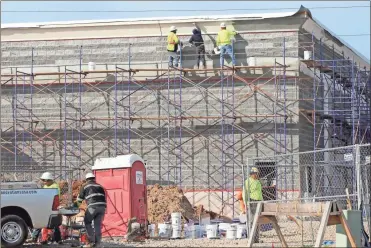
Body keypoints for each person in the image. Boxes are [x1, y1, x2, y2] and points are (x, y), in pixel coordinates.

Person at [74, 173, 106, 248]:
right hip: (102, 207)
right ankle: (98, 243)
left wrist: (74, 207)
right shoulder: (100, 186)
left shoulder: (85, 186)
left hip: (93, 206)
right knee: (97, 225)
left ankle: (91, 241)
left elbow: (79, 200)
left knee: (87, 222)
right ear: (94, 178)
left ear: (86, 179)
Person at [31, 172, 62, 245]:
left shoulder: (55, 186)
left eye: (46, 180)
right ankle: (35, 238)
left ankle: (58, 240)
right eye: (43, 180)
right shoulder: (45, 186)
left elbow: (55, 197)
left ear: (50, 180)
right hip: (45, 207)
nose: (44, 182)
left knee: (55, 225)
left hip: (52, 207)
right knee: (41, 223)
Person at [242, 167, 263, 243]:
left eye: (258, 174)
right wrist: (246, 204)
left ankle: (256, 238)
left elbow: (259, 193)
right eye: (256, 174)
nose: (257, 175)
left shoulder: (257, 181)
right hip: (252, 202)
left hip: (259, 202)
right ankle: (251, 238)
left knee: (257, 220)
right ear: (252, 174)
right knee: (251, 221)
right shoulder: (247, 182)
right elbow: (245, 193)